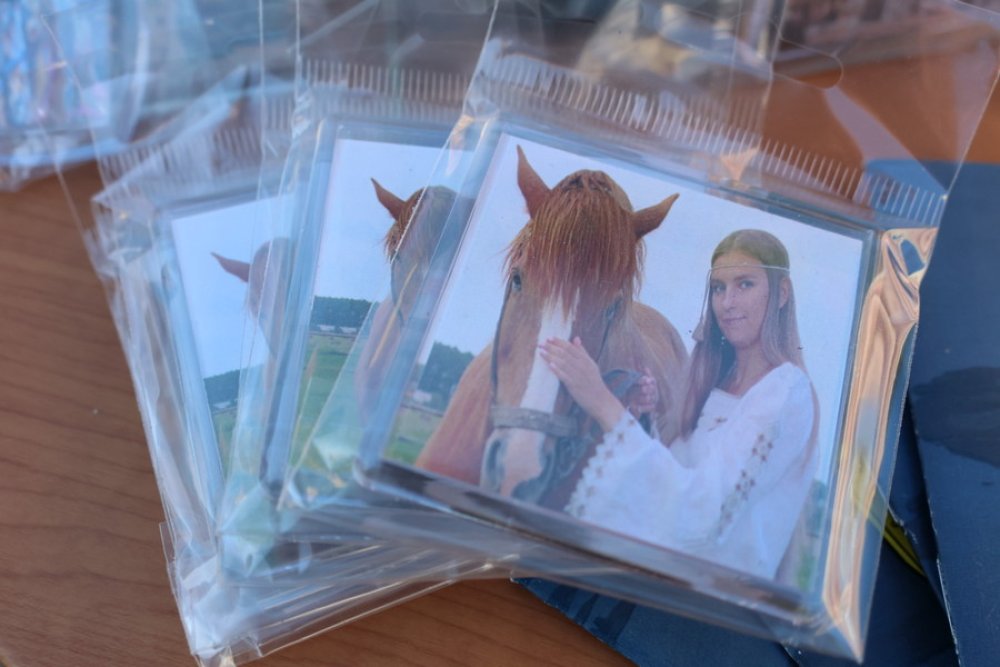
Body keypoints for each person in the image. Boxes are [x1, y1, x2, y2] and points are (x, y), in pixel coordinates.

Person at [539, 229, 818, 581]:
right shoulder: (716, 384)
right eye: (718, 288)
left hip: (707, 601)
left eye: (745, 284)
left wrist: (601, 402)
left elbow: (701, 515)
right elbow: (676, 480)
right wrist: (642, 423)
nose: (727, 303)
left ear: (782, 293)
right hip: (659, 580)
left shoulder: (785, 390)